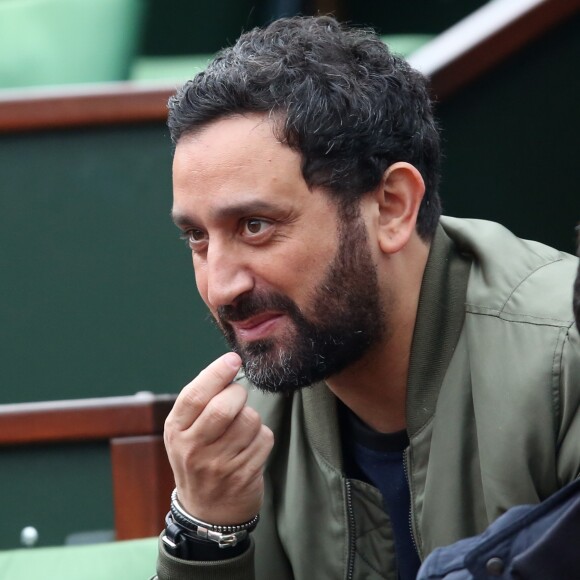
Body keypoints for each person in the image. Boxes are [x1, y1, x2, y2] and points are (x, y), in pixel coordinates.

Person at [155, 15, 580, 580]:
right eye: (199, 239)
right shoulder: (243, 430)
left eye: (256, 226)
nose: (221, 285)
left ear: (392, 207)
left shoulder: (563, 356)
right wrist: (206, 531)